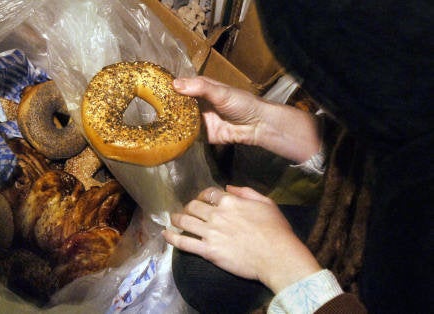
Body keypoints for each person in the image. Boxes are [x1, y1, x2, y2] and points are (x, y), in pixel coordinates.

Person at [162, 1, 433, 313]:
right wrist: (265, 124)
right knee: (203, 266)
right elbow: (380, 144)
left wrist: (281, 263)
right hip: (372, 228)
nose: (323, 103)